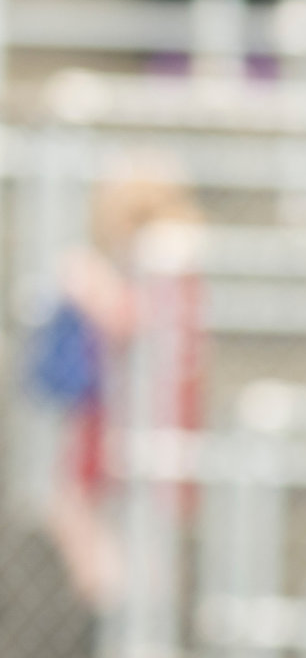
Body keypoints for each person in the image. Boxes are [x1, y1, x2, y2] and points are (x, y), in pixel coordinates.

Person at [26, 170, 202, 610]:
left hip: (140, 410)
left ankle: (124, 606)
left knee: (95, 506)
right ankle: (120, 605)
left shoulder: (170, 258)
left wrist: (90, 286)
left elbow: (133, 321)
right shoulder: (157, 259)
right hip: (123, 408)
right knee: (78, 504)